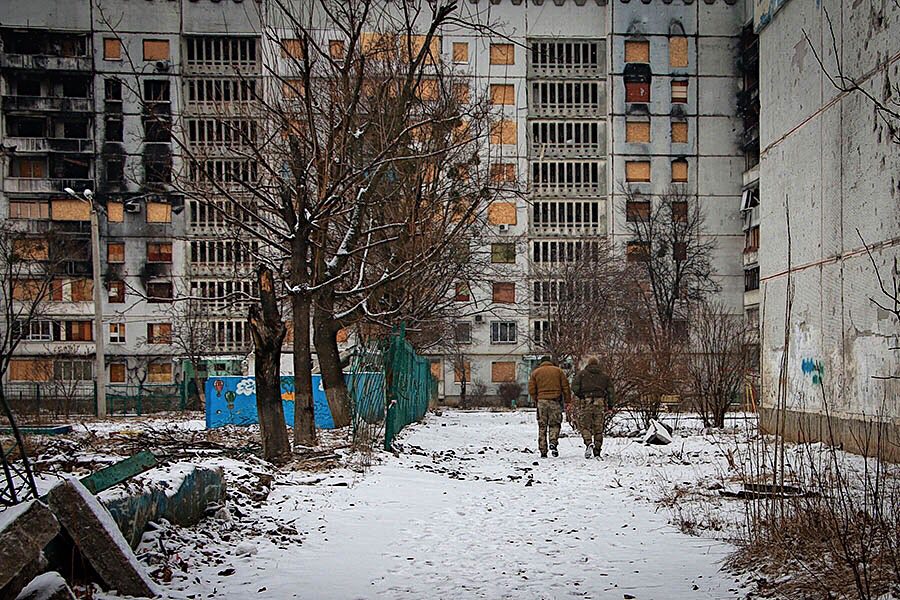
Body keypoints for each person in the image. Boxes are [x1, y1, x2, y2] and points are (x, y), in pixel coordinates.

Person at [528, 357, 571, 458]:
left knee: (542, 426)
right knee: (555, 424)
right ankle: (553, 442)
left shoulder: (536, 373)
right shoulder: (558, 371)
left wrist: (536, 399)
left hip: (541, 401)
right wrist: (568, 400)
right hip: (555, 401)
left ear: (541, 363)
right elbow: (565, 387)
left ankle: (543, 450)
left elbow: (531, 389)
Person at [572, 356, 614, 459]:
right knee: (598, 428)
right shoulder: (604, 376)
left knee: (585, 426)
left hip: (586, 402)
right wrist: (610, 405)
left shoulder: (582, 374)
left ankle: (588, 443)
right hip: (599, 402)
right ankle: (597, 451)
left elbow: (575, 387)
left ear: (588, 364)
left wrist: (581, 395)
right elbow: (611, 392)